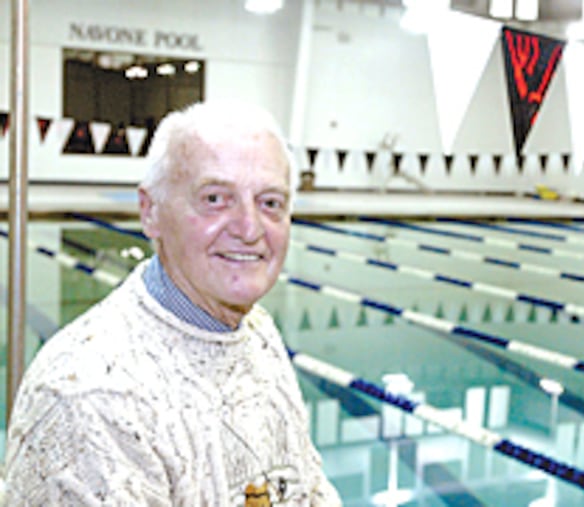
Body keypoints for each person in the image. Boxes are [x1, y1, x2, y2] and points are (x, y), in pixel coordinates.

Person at [3, 101, 342, 506]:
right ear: (151, 212)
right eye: (215, 198)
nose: (249, 229)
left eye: (270, 202)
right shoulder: (91, 395)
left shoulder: (257, 331)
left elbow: (308, 484)